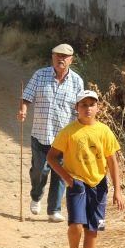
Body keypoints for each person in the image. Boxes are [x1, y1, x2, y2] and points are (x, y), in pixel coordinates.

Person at [46, 90, 125, 248]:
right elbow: (51, 157)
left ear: (98, 108)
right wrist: (67, 178)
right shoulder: (69, 132)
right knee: (76, 225)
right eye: (83, 105)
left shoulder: (104, 131)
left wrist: (118, 190)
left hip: (98, 185)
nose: (88, 108)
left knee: (92, 229)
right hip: (77, 183)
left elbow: (112, 161)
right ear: (77, 108)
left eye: (92, 104)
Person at [17, 43, 84, 222]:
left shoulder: (77, 81)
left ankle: (54, 210)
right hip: (40, 134)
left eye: (65, 56)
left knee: (60, 174)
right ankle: (36, 195)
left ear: (71, 60)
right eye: (57, 55)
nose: (61, 59)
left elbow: (80, 110)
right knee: (40, 170)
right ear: (52, 57)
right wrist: (23, 109)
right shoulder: (40, 75)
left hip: (62, 138)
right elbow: (27, 96)